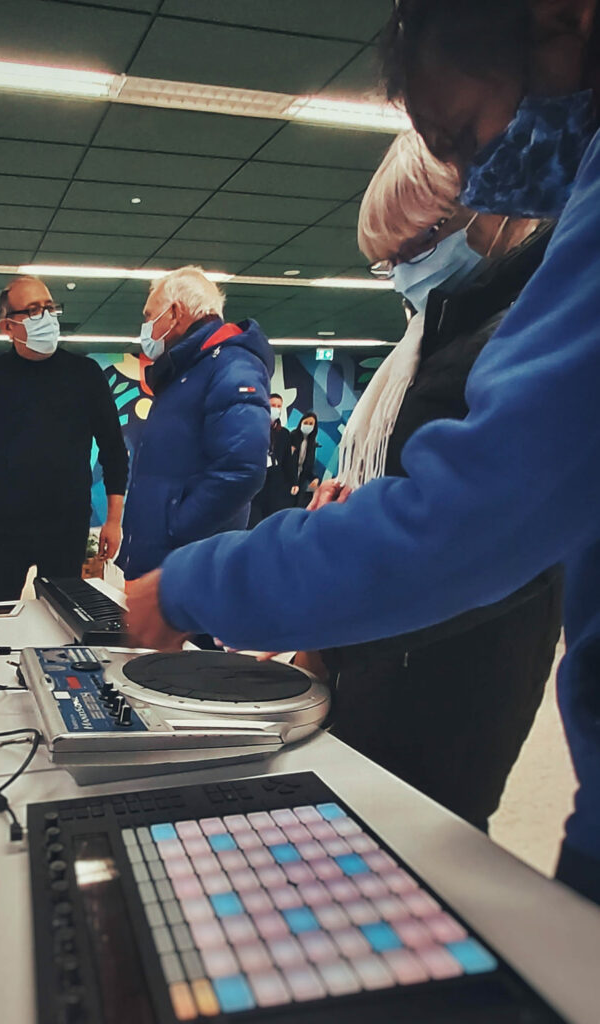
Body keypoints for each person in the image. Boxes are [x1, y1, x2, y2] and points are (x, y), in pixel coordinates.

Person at [127, 0, 600, 904]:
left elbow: (467, 518)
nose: (473, 171)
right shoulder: (461, 318)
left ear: (558, 23)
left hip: (450, 675)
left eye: (463, 132)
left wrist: (195, 585)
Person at [309, 129, 560, 831]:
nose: (399, 275)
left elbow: (465, 545)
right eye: (384, 261)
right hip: (393, 656)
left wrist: (320, 631)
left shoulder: (522, 346)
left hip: (458, 678)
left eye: (414, 247)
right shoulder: (441, 336)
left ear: (498, 211)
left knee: (420, 851)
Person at [0, 275, 128, 602]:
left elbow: (114, 451)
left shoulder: (85, 374)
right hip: (1, 528)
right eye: (32, 310)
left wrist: (114, 520)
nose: (45, 317)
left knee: (65, 619)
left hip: (67, 526)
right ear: (8, 327)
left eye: (49, 307)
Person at [116, 266, 273, 583]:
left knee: (189, 636)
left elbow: (242, 469)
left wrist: (174, 528)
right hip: (165, 561)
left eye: (149, 316)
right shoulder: (186, 371)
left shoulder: (232, 365)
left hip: (190, 567)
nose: (145, 327)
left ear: (175, 313)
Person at [248, 394, 294, 526]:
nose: (276, 409)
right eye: (273, 405)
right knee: (254, 519)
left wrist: (293, 481)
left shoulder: (284, 433)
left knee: (272, 519)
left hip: (275, 481)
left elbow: (287, 460)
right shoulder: (254, 429)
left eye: (279, 406)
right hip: (257, 479)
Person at [289, 411, 321, 508]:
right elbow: (287, 462)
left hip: (301, 482)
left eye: (311, 424)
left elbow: (308, 466)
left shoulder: (312, 444)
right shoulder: (292, 436)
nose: (308, 426)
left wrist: (314, 478)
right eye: (306, 423)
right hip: (288, 479)